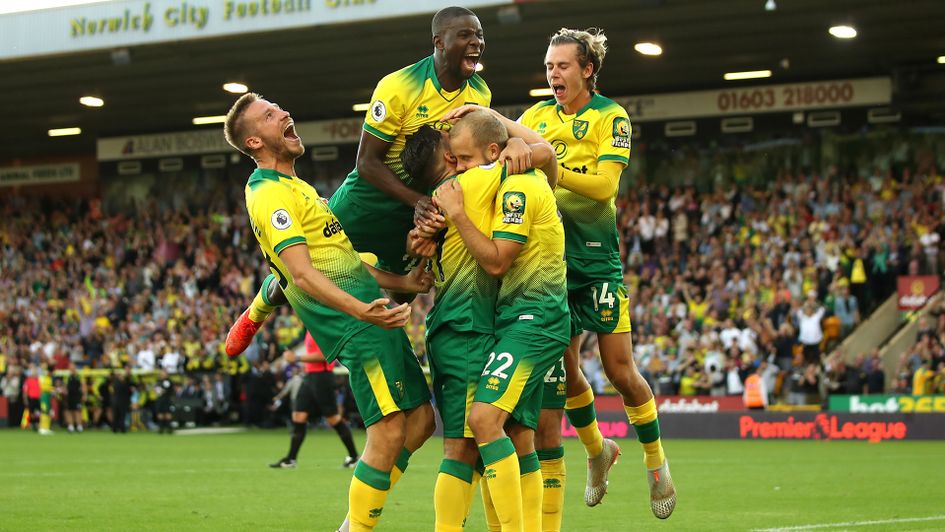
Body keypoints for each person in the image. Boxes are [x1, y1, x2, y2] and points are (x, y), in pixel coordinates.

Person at [224, 5, 490, 356]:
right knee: (306, 261)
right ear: (439, 42)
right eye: (466, 35)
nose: (476, 42)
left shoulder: (480, 94)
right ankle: (259, 308)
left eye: (479, 35)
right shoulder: (400, 86)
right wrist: (418, 201)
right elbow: (366, 163)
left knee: (405, 292)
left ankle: (400, 359)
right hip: (368, 200)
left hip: (418, 210)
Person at [223, 93, 436, 531]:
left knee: (421, 422)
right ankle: (355, 527)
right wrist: (362, 311)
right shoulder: (268, 194)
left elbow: (345, 262)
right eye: (269, 114)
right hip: (357, 324)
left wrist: (404, 284)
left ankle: (354, 522)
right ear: (254, 142)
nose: (284, 112)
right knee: (389, 431)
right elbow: (301, 274)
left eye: (279, 107)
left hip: (372, 314)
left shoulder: (300, 189)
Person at [516, 27, 674, 519]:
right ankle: (597, 451)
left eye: (562, 66)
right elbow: (500, 141)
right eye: (549, 66)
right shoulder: (534, 117)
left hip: (596, 259)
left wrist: (551, 168)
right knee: (565, 369)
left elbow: (605, 186)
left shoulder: (611, 116)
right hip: (549, 263)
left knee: (620, 371)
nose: (553, 74)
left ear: (587, 70)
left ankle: (656, 464)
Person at [401, 110, 556, 531]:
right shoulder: (468, 184)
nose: (461, 156)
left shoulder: (442, 200)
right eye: (455, 151)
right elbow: (546, 153)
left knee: (515, 438)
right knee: (464, 448)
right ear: (447, 160)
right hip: (468, 329)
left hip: (493, 326)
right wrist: (515, 141)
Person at [270, 332, 360, 469]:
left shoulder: (321, 329)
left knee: (333, 418)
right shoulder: (310, 330)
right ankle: (291, 459)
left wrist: (297, 358)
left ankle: (353, 457)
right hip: (310, 376)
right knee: (298, 416)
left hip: (322, 377)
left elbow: (325, 355)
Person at [64, 364, 85, 433]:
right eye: (70, 368)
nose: (72, 369)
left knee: (77, 411)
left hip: (77, 396)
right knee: (69, 411)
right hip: (69, 396)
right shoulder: (67, 376)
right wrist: (64, 392)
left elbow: (83, 385)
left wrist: (84, 395)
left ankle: (79, 426)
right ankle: (71, 426)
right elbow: (65, 386)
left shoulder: (79, 376)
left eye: (73, 368)